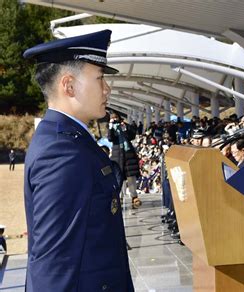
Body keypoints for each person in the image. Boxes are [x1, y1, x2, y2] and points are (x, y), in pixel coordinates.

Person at [23, 30, 134, 291]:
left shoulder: (68, 141)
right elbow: (53, 264)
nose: (107, 88)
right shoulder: (62, 153)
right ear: (69, 85)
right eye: (100, 78)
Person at [108, 112, 142, 209]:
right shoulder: (111, 127)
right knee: (119, 178)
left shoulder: (124, 125)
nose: (115, 119)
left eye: (116, 117)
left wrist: (125, 128)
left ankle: (134, 196)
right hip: (117, 155)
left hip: (128, 155)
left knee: (131, 177)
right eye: (113, 118)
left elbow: (132, 136)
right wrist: (111, 126)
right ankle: (120, 197)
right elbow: (110, 138)